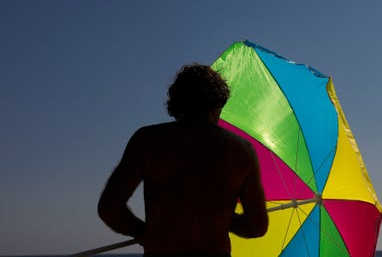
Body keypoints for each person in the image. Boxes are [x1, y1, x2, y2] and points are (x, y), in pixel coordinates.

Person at [98, 64, 268, 257]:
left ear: (177, 102)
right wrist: (221, 217)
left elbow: (109, 208)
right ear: (218, 104)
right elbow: (257, 227)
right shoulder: (241, 151)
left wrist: (142, 232)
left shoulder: (147, 141)